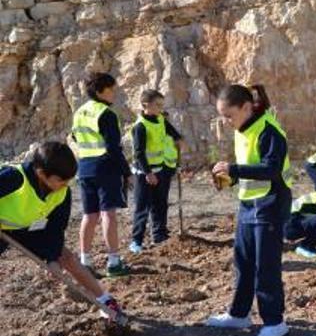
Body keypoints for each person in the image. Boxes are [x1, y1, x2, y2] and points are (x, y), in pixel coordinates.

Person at [206, 84, 294, 336]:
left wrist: (234, 170)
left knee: (265, 265)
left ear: (247, 107)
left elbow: (270, 169)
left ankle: (275, 322)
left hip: (270, 203)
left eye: (229, 115)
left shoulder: (269, 130)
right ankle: (239, 314)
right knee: (243, 262)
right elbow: (249, 167)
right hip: (249, 204)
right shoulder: (242, 128)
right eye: (222, 115)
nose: (225, 121)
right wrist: (230, 179)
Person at [0, 142, 125, 321]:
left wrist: (51, 258)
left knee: (66, 257)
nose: (65, 185)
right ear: (41, 173)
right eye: (61, 180)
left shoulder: (62, 192)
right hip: (4, 227)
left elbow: (56, 228)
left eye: (68, 181)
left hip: (27, 227)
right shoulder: (12, 178)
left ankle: (106, 301)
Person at [71, 73, 132, 277]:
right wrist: (126, 171)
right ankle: (114, 262)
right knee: (108, 214)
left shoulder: (80, 112)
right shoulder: (106, 113)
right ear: (100, 91)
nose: (114, 93)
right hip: (105, 168)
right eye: (111, 89)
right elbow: (113, 148)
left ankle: (84, 261)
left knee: (89, 215)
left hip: (85, 168)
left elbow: (73, 138)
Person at [129, 89, 184, 253]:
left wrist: (179, 139)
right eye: (157, 105)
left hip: (160, 169)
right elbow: (139, 153)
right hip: (144, 173)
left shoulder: (160, 119)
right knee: (142, 207)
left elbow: (171, 131)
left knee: (160, 203)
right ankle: (136, 241)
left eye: (162, 105)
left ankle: (159, 234)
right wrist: (148, 173)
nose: (161, 108)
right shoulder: (140, 127)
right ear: (146, 105)